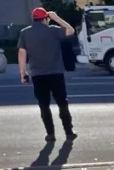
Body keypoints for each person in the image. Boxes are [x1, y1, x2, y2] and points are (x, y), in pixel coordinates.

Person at [17, 7, 77, 142]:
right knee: (62, 103)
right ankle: (69, 131)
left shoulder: (25, 33)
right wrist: (56, 17)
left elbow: (22, 53)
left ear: (33, 19)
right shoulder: (53, 30)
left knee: (44, 105)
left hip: (38, 74)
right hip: (56, 73)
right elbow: (71, 30)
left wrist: (23, 73)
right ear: (45, 18)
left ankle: (50, 134)